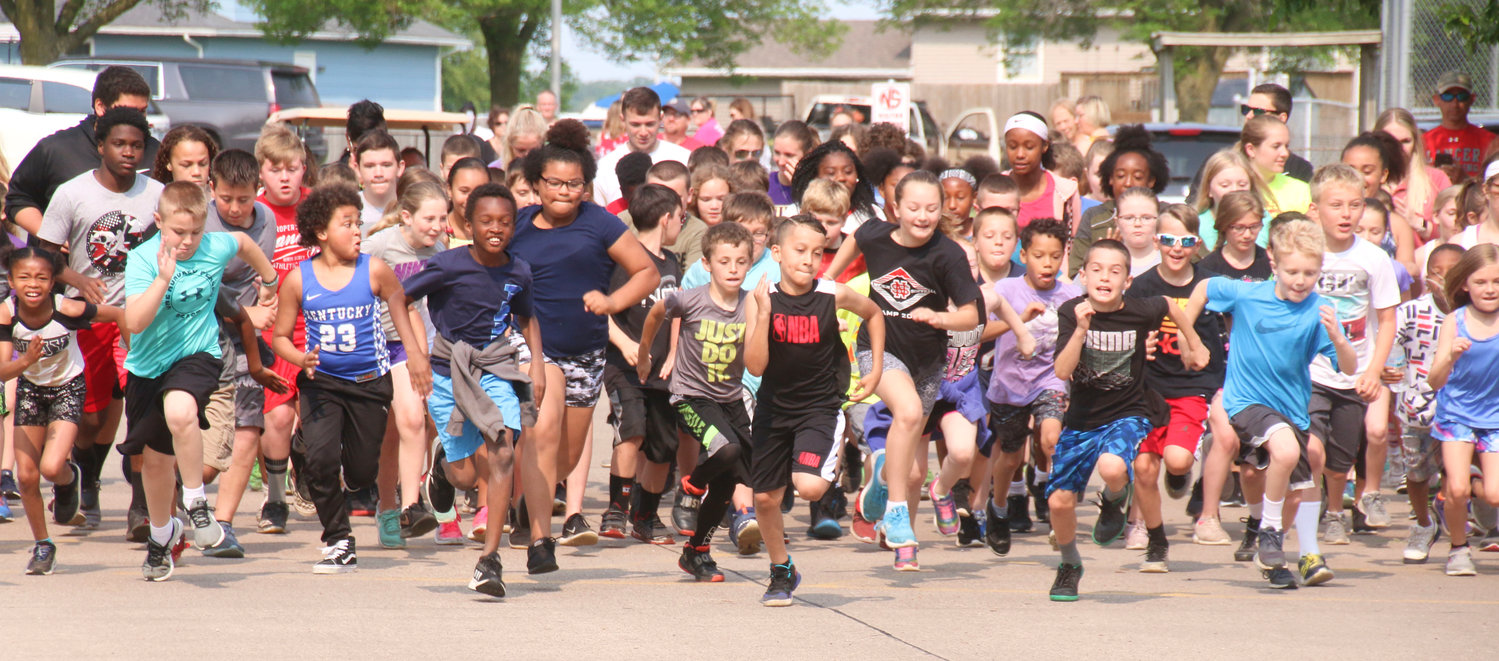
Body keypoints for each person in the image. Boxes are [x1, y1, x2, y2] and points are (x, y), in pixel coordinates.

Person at [509, 120, 659, 569]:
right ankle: (540, 540)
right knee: (543, 426)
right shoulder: (518, 225)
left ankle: (527, 502)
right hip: (534, 347)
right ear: (536, 184)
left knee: (567, 457)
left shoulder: (600, 223)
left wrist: (612, 301)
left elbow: (647, 272)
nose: (564, 191)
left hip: (587, 353)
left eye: (575, 184)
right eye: (554, 183)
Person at [1183, 217, 1357, 589]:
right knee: (1285, 451)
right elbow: (1201, 288)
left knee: (1303, 464)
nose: (1300, 280)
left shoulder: (1320, 310)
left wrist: (1337, 338)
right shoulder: (1248, 294)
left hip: (1291, 407)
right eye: (1292, 271)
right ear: (1273, 265)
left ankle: (1279, 550)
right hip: (1245, 401)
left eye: (1309, 273)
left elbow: (1348, 367)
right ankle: (1271, 532)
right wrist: (1190, 340)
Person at [824, 171, 982, 571]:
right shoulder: (875, 234)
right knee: (908, 412)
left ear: (943, 209)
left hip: (928, 363)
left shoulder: (948, 255)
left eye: (932, 208)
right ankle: (895, 514)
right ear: (896, 207)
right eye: (914, 207)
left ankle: (878, 489)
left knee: (912, 467)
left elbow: (971, 315)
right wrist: (823, 289)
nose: (923, 216)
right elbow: (850, 247)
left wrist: (939, 318)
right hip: (878, 349)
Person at [270, 183, 430, 574]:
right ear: (322, 233)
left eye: (359, 223)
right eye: (347, 224)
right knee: (322, 464)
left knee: (360, 474)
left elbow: (401, 307)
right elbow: (279, 337)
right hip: (321, 383)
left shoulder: (374, 270)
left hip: (369, 384)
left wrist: (415, 356)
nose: (358, 231)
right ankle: (338, 539)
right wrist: (299, 357)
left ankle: (341, 471)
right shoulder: (298, 279)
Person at [122, 182, 278, 580]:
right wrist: (163, 278)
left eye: (196, 232)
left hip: (199, 356)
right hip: (147, 367)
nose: (188, 241)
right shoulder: (142, 259)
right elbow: (135, 322)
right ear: (159, 222)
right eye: (179, 233)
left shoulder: (214, 246)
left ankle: (195, 504)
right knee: (154, 462)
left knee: (180, 411)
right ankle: (162, 538)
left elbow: (243, 242)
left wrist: (270, 279)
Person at [403, 182, 544, 596]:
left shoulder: (519, 270)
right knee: (464, 477)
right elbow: (398, 297)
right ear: (467, 223)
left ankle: (490, 558)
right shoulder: (448, 265)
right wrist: (415, 354)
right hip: (448, 372)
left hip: (495, 365)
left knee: (502, 449)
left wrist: (536, 362)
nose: (495, 229)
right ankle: (444, 460)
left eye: (504, 222)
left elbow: (527, 318)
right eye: (486, 221)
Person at [1046, 238, 1207, 600]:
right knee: (1059, 502)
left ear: (1127, 281)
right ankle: (1070, 565)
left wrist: (1193, 342)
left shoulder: (1140, 310)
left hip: (1128, 412)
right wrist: (1081, 331)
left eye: (1115, 271)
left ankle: (1116, 497)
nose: (1105, 277)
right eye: (1097, 270)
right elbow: (1061, 370)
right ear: (1083, 276)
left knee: (1113, 466)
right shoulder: (1071, 311)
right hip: (1081, 419)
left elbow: (1168, 304)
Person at [745, 214, 885, 604]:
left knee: (809, 487)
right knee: (765, 501)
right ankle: (781, 570)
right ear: (776, 253)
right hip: (774, 409)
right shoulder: (761, 297)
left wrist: (873, 371)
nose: (809, 259)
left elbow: (873, 314)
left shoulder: (832, 294)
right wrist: (762, 315)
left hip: (819, 407)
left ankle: (836, 450)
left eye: (818, 252)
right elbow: (755, 366)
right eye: (800, 250)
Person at [36, 106, 164, 534]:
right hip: (84, 318)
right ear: (101, 146)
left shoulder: (156, 194)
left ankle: (141, 507)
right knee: (90, 417)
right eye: (120, 144)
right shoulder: (73, 194)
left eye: (137, 145)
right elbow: (43, 257)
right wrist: (74, 278)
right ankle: (85, 480)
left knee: (143, 407)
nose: (129, 152)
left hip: (138, 319)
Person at [635, 222, 757, 583]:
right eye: (724, 261)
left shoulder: (752, 303)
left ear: (750, 263)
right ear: (707, 264)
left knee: (731, 477)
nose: (733, 269)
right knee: (728, 450)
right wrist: (645, 354)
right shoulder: (689, 299)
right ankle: (691, 485)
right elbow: (657, 313)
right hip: (690, 395)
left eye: (741, 261)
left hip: (730, 400)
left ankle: (697, 552)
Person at [0, 247, 121, 574]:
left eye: (41, 277)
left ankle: (70, 479)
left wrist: (133, 340)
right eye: (24, 277)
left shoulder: (66, 308)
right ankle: (43, 545)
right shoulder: (7, 313)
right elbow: (2, 371)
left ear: (53, 281)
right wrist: (25, 361)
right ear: (11, 281)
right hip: (31, 389)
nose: (33, 284)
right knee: (26, 475)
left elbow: (117, 315)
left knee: (52, 468)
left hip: (68, 387)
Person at [1121, 205, 1226, 572]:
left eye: (1184, 241)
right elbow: (1127, 331)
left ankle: (1180, 475)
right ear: (1156, 241)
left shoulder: (1210, 284)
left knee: (1178, 459)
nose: (1176, 248)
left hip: (1193, 386)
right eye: (1168, 240)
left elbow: (1232, 328)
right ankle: (1153, 537)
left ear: (1197, 243)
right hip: (1148, 388)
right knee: (1144, 468)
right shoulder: (1144, 286)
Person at [1306, 165, 1399, 567]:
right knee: (1312, 449)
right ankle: (1318, 521)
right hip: (1309, 371)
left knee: (1341, 458)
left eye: (1355, 205)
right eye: (1336, 205)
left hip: (1355, 370)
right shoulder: (1305, 255)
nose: (1346, 214)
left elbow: (1388, 320)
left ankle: (1336, 510)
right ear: (1315, 210)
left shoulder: (1374, 259)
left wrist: (1374, 371)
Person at [201, 149, 291, 553]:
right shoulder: (199, 220)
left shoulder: (267, 220)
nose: (235, 208)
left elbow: (261, 276)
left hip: (244, 337)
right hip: (198, 333)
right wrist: (246, 313)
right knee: (196, 448)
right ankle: (174, 512)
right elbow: (200, 284)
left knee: (248, 426)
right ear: (211, 189)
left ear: (258, 191)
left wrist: (264, 308)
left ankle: (223, 523)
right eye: (226, 199)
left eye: (244, 199)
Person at [362, 181, 449, 548]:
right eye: (429, 218)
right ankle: (388, 506)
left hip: (416, 346)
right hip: (378, 343)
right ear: (407, 217)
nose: (437, 226)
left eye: (443, 218)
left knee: (415, 421)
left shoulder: (440, 250)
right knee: (390, 433)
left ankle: (410, 506)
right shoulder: (380, 245)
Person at [983, 217, 1076, 554]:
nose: (1047, 263)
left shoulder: (1072, 295)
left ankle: (1056, 506)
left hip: (1050, 380)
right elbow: (980, 334)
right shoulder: (1006, 291)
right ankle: (1000, 507)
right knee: (1010, 458)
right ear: (1024, 255)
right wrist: (1018, 321)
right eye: (1039, 255)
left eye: (1054, 256)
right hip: (1009, 385)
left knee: (1052, 439)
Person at [599, 184, 684, 543]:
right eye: (681, 217)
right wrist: (624, 343)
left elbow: (678, 313)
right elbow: (601, 308)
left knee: (664, 446)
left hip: (663, 370)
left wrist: (677, 355)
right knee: (631, 429)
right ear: (666, 219)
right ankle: (616, 509)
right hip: (625, 367)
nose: (683, 223)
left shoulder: (673, 262)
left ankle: (645, 515)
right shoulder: (622, 259)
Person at [6, 66, 160, 235]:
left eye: (142, 111)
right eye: (128, 110)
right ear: (100, 106)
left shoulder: (155, 153)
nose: (137, 118)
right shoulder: (57, 149)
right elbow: (17, 198)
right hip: (66, 260)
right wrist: (49, 234)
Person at [255, 123, 314, 536]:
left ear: (304, 169)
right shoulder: (254, 213)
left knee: (314, 421)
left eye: (292, 168)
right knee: (276, 420)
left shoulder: (318, 207)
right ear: (262, 172)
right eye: (276, 169)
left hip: (317, 331)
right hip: (271, 332)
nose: (285, 177)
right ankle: (276, 499)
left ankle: (307, 467)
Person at [1425, 243, 1499, 575]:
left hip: (1495, 418)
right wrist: (1450, 356)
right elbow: (1434, 381)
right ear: (1465, 284)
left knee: (1495, 496)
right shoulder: (1455, 321)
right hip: (1456, 414)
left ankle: (1473, 476)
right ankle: (1458, 548)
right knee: (1456, 489)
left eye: (1497, 281)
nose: (1490, 289)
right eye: (1481, 282)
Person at [1387, 243, 1464, 564]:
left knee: (1456, 472)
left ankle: (1458, 520)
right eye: (1437, 273)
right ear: (1427, 277)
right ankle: (1422, 524)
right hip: (1416, 407)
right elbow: (1390, 348)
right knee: (1417, 475)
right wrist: (1387, 369)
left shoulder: (1474, 314)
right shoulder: (1409, 312)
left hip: (1461, 408)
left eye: (1453, 274)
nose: (1444, 281)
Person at [1069, 125, 1170, 278]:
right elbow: (1074, 273)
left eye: (1137, 177)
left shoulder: (1169, 215)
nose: (1128, 183)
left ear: (1151, 181)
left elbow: (1197, 262)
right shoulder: (1094, 217)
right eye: (1121, 176)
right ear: (1110, 178)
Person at [594, 88, 692, 207]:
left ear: (661, 118)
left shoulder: (684, 158)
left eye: (650, 124)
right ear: (623, 120)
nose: (643, 132)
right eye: (635, 125)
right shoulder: (605, 166)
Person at [1343, 132, 1417, 276]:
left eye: (1367, 171)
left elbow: (1407, 279)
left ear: (1383, 175)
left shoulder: (1397, 225)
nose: (1358, 178)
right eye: (1351, 171)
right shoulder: (1327, 218)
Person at [1377, 108, 1453, 241]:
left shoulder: (1437, 179)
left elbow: (1455, 232)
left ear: (1415, 142)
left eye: (1405, 141)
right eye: (1391, 141)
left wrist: (1418, 223)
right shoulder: (1368, 180)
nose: (1399, 148)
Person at [1001, 113, 1080, 231]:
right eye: (1012, 147)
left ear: (1044, 146)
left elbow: (1073, 241)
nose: (1020, 154)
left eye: (1029, 147)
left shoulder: (1065, 191)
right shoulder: (995, 188)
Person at [1424, 72, 1495, 181]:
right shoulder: (1424, 141)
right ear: (1436, 100)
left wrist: (1465, 178)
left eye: (1462, 97)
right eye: (1448, 97)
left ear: (1472, 99)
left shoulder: (1491, 142)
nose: (1455, 103)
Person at [1192, 150, 1270, 250]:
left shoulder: (1265, 220)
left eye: (1242, 184)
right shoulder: (1197, 224)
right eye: (1225, 185)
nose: (1234, 190)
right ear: (1208, 190)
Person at [1239, 116, 1311, 216]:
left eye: (1286, 146)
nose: (1285, 153)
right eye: (1276, 146)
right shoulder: (1233, 186)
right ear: (1251, 149)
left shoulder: (1301, 190)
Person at [354, 131, 405, 235]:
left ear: (400, 168)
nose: (378, 173)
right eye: (370, 166)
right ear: (358, 170)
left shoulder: (413, 209)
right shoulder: (347, 210)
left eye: (386, 165)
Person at [150, 125, 218, 188]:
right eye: (186, 165)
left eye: (203, 164)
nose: (196, 172)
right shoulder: (155, 198)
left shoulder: (219, 199)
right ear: (169, 163)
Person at [769, 121, 818, 206]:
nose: (781, 162)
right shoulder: (765, 184)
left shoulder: (817, 188)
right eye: (777, 153)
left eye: (789, 155)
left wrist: (800, 186)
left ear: (807, 155)